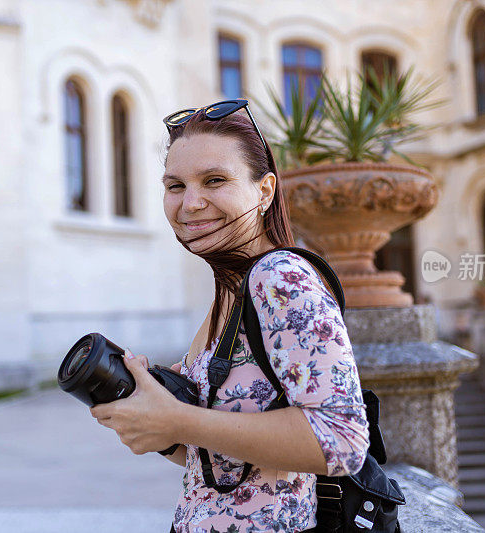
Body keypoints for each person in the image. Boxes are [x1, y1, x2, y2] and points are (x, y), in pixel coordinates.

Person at [89, 101, 369, 533]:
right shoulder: (231, 291)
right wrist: (157, 425)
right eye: (175, 185)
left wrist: (178, 419)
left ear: (265, 190)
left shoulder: (281, 278)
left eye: (214, 180)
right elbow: (217, 460)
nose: (191, 203)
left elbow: (342, 442)